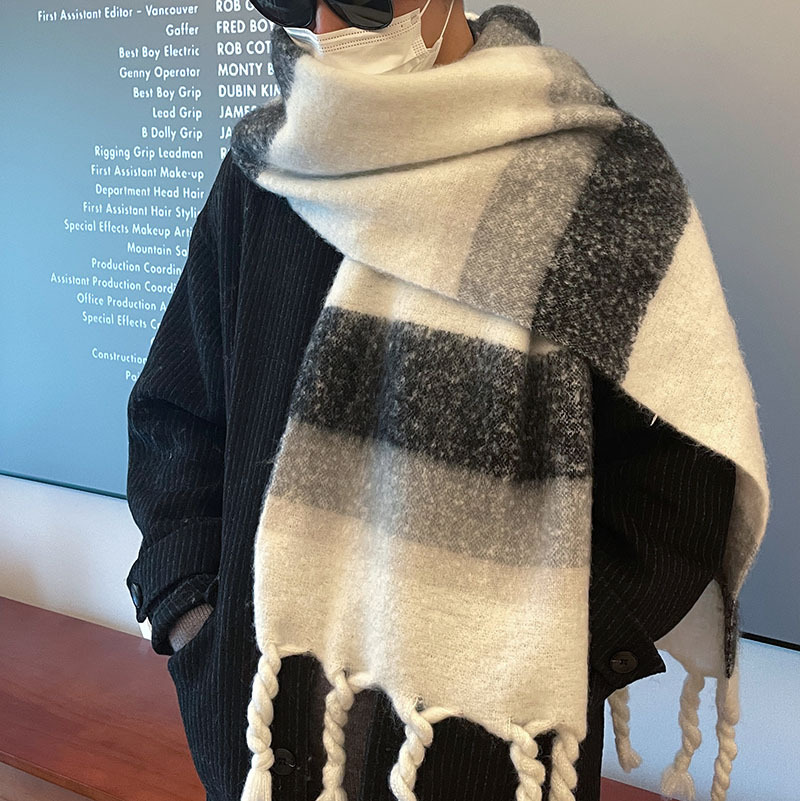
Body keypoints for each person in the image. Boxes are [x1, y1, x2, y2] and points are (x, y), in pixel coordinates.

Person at [125, 3, 746, 800]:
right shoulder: (266, 172)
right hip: (264, 743)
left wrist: (541, 650)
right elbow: (176, 415)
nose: (324, 23)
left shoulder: (592, 178)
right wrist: (195, 623)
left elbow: (680, 475)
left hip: (491, 763)